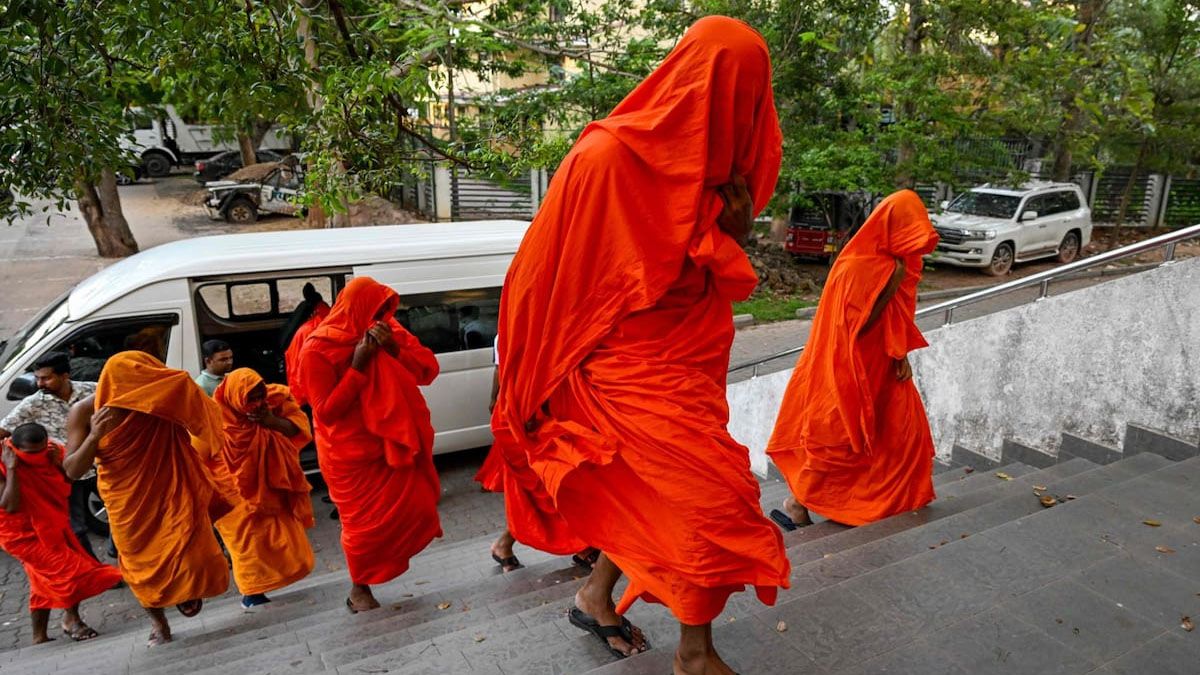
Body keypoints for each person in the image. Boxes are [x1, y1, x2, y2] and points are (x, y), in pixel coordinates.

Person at [493, 17, 790, 674]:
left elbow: (700, 271)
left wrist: (732, 227)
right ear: (697, 82)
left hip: (683, 364)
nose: (747, 113)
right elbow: (541, 279)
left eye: (754, 96)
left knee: (653, 494)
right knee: (712, 501)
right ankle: (695, 650)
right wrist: (527, 380)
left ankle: (596, 593)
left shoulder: (723, 177)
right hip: (616, 373)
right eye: (736, 92)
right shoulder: (603, 159)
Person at [766, 190, 940, 530]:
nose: (914, 244)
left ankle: (876, 504)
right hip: (846, 367)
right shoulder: (862, 265)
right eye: (909, 232)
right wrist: (892, 283)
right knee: (837, 438)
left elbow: (895, 316)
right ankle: (797, 504)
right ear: (891, 227)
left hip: (883, 364)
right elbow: (852, 327)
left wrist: (899, 351)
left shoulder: (890, 263)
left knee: (899, 435)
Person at [64, 351, 232, 647]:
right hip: (127, 500)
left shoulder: (157, 398)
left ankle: (186, 588)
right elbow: (73, 470)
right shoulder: (85, 411)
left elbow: (193, 406)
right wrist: (95, 436)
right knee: (140, 565)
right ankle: (158, 622)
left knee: (193, 552)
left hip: (170, 486)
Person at [298, 276, 442, 612]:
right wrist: (358, 366)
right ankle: (358, 588)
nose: (380, 317)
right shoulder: (316, 349)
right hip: (349, 452)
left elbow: (427, 371)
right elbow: (326, 412)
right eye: (375, 309)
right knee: (362, 527)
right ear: (355, 307)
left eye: (385, 310)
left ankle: (393, 558)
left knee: (417, 505)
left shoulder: (387, 330)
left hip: (390, 439)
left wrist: (393, 348)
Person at [0, 423, 122, 645]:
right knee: (71, 572)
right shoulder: (4, 459)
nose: (37, 456)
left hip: (53, 523)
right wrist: (12, 469)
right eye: (30, 453)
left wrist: (58, 464)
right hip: (20, 535)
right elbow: (10, 505)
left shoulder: (52, 451)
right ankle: (71, 620)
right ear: (14, 448)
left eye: (40, 450)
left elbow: (66, 486)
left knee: (42, 581)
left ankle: (39, 636)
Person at [212, 368, 316, 610]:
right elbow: (202, 453)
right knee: (246, 543)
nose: (258, 404)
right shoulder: (215, 417)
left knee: (281, 537)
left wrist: (271, 421)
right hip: (234, 493)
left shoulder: (275, 400)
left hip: (271, 485)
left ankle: (280, 578)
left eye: (260, 396)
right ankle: (252, 593)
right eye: (251, 399)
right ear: (236, 398)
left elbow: (297, 428)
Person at [0, 352, 99, 560]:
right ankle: (93, 569)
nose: (39, 383)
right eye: (37, 378)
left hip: (99, 465)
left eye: (46, 378)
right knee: (76, 527)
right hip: (66, 472)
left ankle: (116, 551)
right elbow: (3, 429)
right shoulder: (33, 404)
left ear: (65, 376)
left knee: (120, 513)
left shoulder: (93, 390)